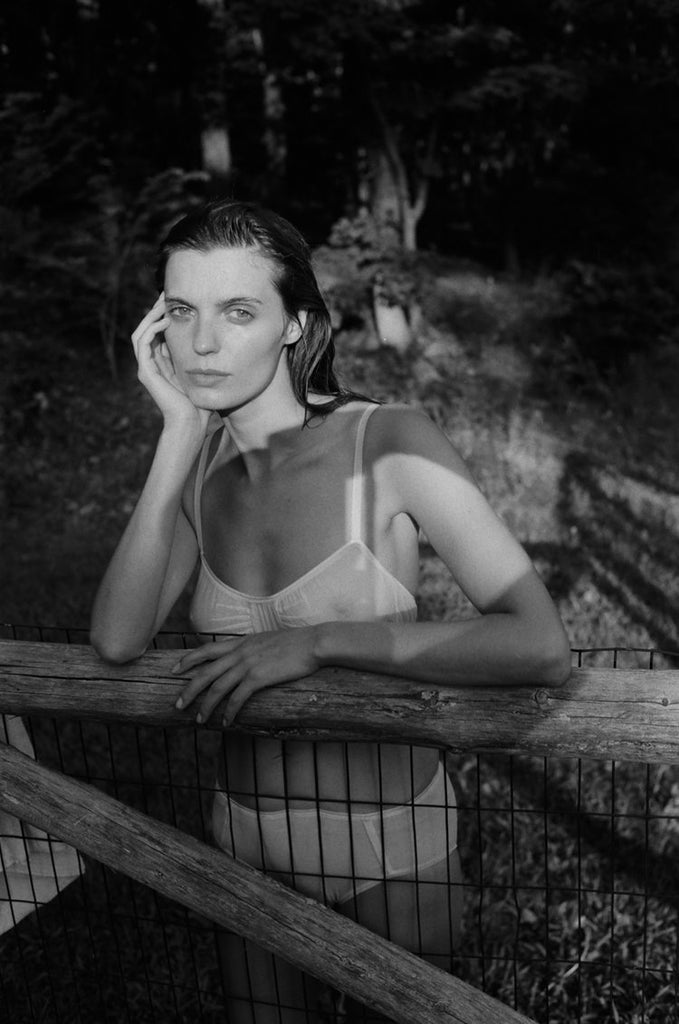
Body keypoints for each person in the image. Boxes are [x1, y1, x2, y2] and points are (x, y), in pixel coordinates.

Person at [90, 199, 571, 1023]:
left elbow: (539, 644)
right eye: (180, 311)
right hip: (241, 837)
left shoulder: (389, 442)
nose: (201, 342)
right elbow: (117, 636)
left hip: (386, 839)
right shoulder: (198, 465)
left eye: (238, 311)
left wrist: (321, 643)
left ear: (293, 325)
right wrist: (176, 434)